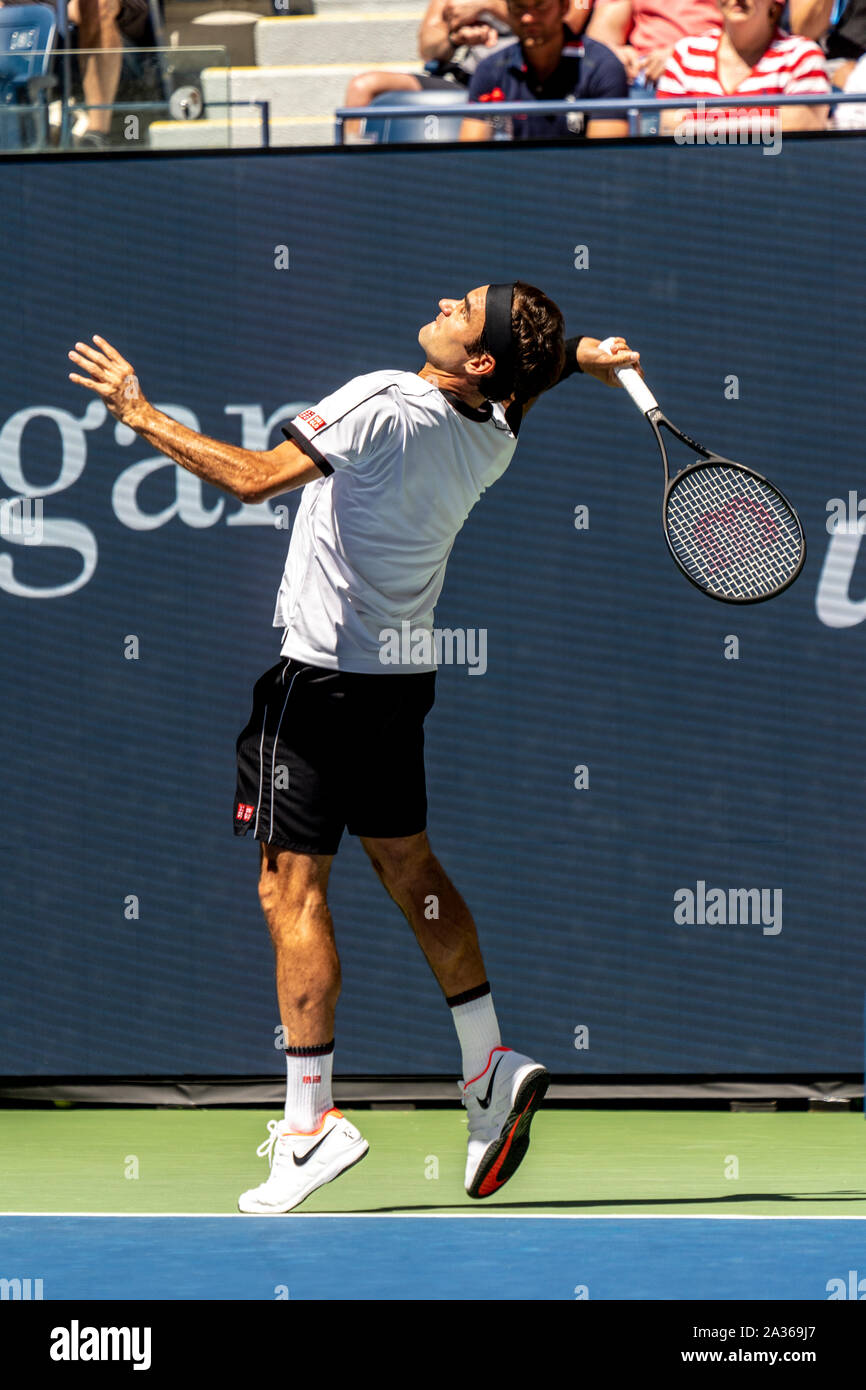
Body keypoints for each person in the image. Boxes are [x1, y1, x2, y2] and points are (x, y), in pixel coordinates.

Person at [67, 289, 641, 1214]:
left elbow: (254, 478)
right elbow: (526, 381)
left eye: (469, 310)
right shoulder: (496, 434)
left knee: (290, 891)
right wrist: (577, 358)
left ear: (479, 360)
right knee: (410, 867)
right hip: (397, 686)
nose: (450, 302)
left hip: (320, 684)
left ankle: (309, 1130)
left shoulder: (383, 399)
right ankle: (487, 1059)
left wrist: (137, 414)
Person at [341, 0, 594, 142]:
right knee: (363, 87)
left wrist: (490, 7)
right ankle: (354, 180)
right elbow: (428, 48)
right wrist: (455, 38)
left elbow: (568, 22)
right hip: (470, 81)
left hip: (538, 81)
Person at [655, 0, 830, 136]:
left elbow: (801, 131)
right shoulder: (686, 53)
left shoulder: (801, 55)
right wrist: (767, 122)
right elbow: (671, 130)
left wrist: (700, 125)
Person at [460, 0, 629, 141]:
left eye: (540, 6)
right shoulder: (490, 70)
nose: (528, 18)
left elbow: (606, 162)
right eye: (519, 8)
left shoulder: (603, 67)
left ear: (564, 7)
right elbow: (470, 160)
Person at [587, 0, 723, 86]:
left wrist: (684, 54)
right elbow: (601, 38)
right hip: (645, 73)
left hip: (714, 67)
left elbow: (742, 30)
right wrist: (614, 55)